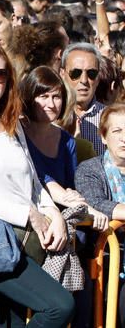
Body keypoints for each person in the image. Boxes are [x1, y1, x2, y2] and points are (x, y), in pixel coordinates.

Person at [0, 44, 74, 328]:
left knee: (14, 322)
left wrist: (53, 213)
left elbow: (33, 181)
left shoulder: (12, 124)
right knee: (59, 306)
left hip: (29, 241)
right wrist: (29, 214)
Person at [20, 66, 108, 228]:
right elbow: (40, 178)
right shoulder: (18, 135)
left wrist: (73, 194)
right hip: (30, 215)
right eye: (44, 96)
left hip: (64, 216)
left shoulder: (67, 141)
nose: (51, 104)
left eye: (56, 97)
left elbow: (71, 184)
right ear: (30, 98)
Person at [76, 103, 125, 327]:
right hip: (107, 257)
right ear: (103, 137)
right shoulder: (90, 169)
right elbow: (95, 203)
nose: (124, 138)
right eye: (117, 131)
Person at [61, 43, 105, 155]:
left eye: (91, 73)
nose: (84, 80)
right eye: (76, 73)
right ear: (62, 74)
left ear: (98, 78)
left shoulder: (109, 118)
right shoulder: (50, 115)